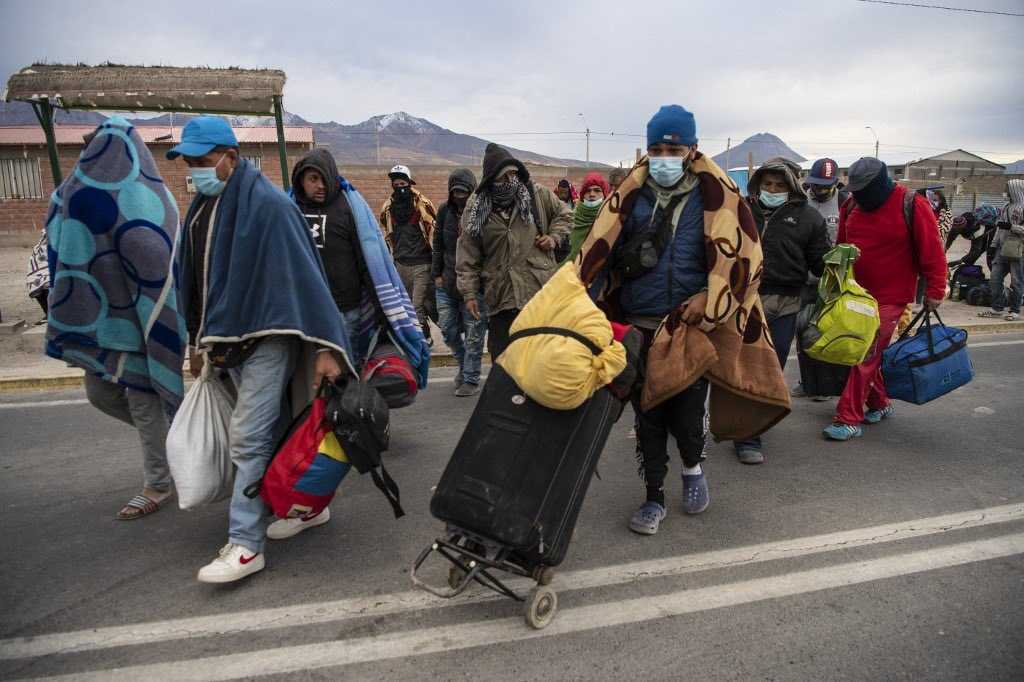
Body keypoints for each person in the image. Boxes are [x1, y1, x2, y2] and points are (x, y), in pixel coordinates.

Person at [170, 116, 355, 583]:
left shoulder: (270, 207)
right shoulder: (202, 209)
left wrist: (326, 348)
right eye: (188, 163)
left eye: (201, 161)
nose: (193, 170)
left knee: (247, 436)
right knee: (272, 432)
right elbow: (196, 279)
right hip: (224, 344)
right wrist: (199, 343)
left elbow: (307, 280)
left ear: (230, 158)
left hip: (267, 340)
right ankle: (306, 507)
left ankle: (246, 544)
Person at [268, 149, 432, 541]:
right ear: (299, 180)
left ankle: (313, 494)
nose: (318, 185)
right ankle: (304, 483)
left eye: (322, 177)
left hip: (347, 320)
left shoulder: (350, 209)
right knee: (305, 406)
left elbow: (372, 264)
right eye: (310, 178)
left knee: (331, 407)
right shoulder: (287, 211)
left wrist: (384, 316)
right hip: (301, 322)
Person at [44, 117, 185, 520]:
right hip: (102, 321)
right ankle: (174, 443)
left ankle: (158, 483)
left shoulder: (151, 197)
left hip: (144, 322)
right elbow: (62, 239)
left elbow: (160, 259)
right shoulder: (73, 191)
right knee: (100, 394)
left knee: (144, 401)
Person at [610, 105, 711, 532]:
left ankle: (691, 468)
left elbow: (736, 256)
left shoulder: (715, 198)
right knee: (648, 415)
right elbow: (603, 249)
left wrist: (710, 294)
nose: (664, 155)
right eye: (656, 148)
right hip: (640, 323)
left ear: (692, 149)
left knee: (687, 417)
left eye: (673, 147)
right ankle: (653, 496)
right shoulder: (630, 197)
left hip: (688, 325)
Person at [824, 158, 947, 441]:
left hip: (891, 297)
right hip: (855, 294)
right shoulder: (851, 205)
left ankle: (847, 418)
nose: (858, 195)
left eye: (863, 189)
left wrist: (935, 291)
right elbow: (841, 248)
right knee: (863, 352)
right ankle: (880, 402)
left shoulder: (912, 204)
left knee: (864, 352)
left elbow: (932, 252)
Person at [733, 158, 829, 464]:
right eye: (767, 184)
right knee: (743, 366)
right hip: (744, 302)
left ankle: (751, 430)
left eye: (779, 185)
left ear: (792, 187)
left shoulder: (810, 219)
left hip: (786, 304)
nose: (772, 190)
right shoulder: (741, 211)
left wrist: (839, 263)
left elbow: (819, 263)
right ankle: (744, 431)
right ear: (758, 185)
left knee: (769, 369)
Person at [456, 143, 572, 359]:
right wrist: (469, 293)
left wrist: (554, 237)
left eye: (513, 174)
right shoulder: (476, 208)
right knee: (504, 357)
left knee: (541, 357)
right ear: (491, 179)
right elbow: (467, 254)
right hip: (501, 294)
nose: (510, 181)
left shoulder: (537, 194)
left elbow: (565, 214)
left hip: (539, 290)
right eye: (503, 176)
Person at [432, 168, 488, 396]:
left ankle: (471, 378)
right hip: (446, 281)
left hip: (474, 285)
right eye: (455, 192)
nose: (460, 197)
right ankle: (464, 364)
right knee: (447, 329)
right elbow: (438, 244)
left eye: (464, 192)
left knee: (475, 333)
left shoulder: (483, 212)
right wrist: (436, 275)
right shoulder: (444, 211)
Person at [378, 165, 437, 343]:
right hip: (401, 264)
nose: (399, 186)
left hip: (421, 263)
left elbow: (432, 229)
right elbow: (387, 232)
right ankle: (421, 333)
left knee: (416, 304)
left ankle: (422, 339)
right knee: (406, 305)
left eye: (403, 183)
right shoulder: (388, 208)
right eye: (396, 183)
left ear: (409, 183)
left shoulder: (422, 204)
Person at [978, 179, 1024, 322]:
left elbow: (1009, 227)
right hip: (1002, 249)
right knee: (994, 279)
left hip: (1019, 250)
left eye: (1008, 188)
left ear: (1015, 189)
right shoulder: (1005, 206)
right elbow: (999, 228)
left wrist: (1013, 227)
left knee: (1017, 282)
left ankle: (1015, 311)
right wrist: (992, 244)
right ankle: (997, 308)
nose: (1006, 190)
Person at [564, 171, 610, 264]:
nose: (592, 194)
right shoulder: (570, 219)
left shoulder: (611, 220)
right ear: (582, 195)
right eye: (588, 191)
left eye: (597, 190)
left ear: (604, 194)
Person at [802, 157, 849, 244]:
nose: (820, 190)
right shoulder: (801, 199)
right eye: (816, 185)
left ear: (835, 183)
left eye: (825, 186)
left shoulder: (844, 202)